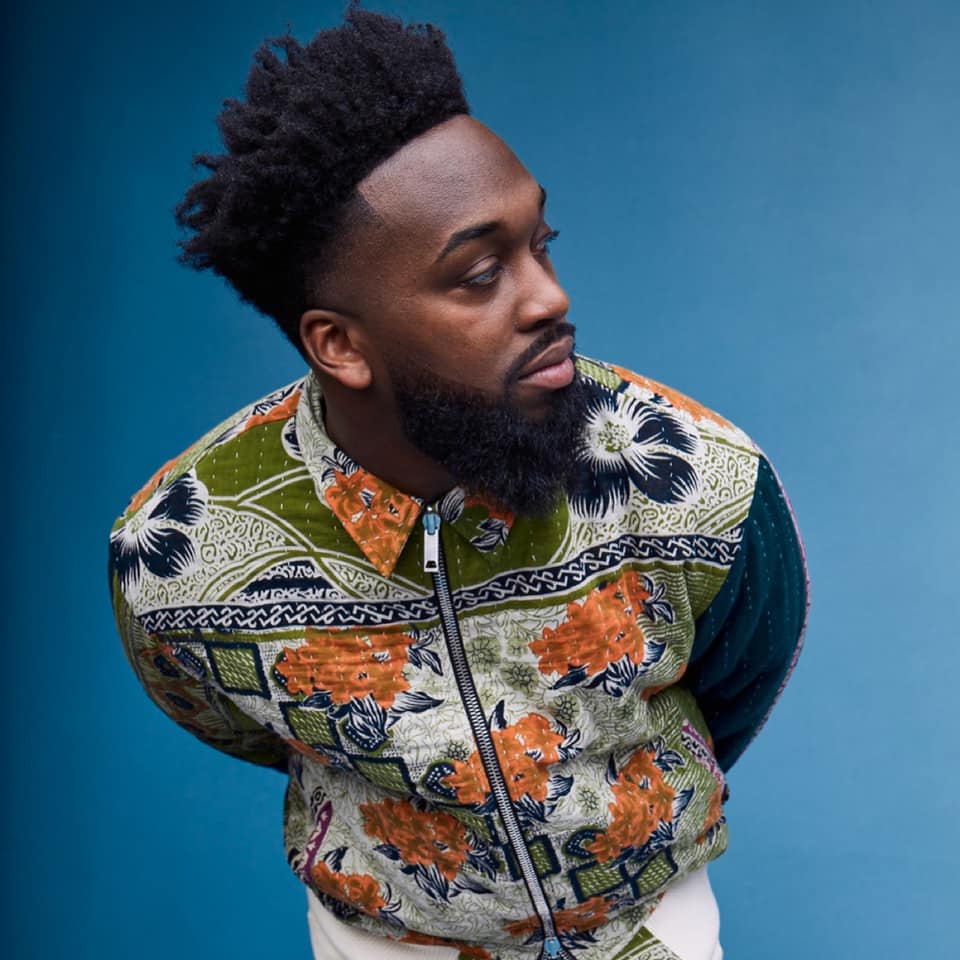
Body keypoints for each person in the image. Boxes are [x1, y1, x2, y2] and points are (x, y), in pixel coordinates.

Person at [108, 8, 807, 960]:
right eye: (479, 274)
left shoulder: (694, 476)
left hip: (648, 929)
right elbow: (218, 708)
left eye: (540, 243)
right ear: (339, 344)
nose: (550, 296)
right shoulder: (178, 548)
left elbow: (740, 672)